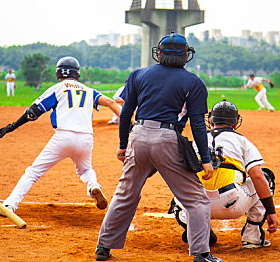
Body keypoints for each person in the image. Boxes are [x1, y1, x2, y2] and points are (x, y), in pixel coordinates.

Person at [95, 33, 222, 262]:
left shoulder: (138, 74)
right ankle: (201, 253)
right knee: (196, 200)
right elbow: (197, 124)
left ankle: (103, 247)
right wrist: (205, 158)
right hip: (167, 138)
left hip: (138, 136)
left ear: (159, 53)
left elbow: (125, 114)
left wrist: (123, 145)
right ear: (185, 56)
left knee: (126, 194)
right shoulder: (193, 82)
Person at [0, 57, 121, 214]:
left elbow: (32, 112)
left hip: (63, 136)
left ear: (58, 72)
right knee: (85, 169)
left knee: (33, 172)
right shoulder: (89, 90)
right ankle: (93, 185)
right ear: (77, 74)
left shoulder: (58, 88)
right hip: (86, 138)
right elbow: (111, 103)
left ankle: (10, 205)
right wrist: (128, 122)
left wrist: (13, 126)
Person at [169, 99, 278, 249]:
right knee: (265, 177)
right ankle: (252, 238)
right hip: (232, 204)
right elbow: (257, 176)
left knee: (178, 198)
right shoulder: (242, 140)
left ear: (211, 121)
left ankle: (197, 231)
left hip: (197, 205)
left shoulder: (197, 140)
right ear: (235, 123)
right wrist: (271, 211)